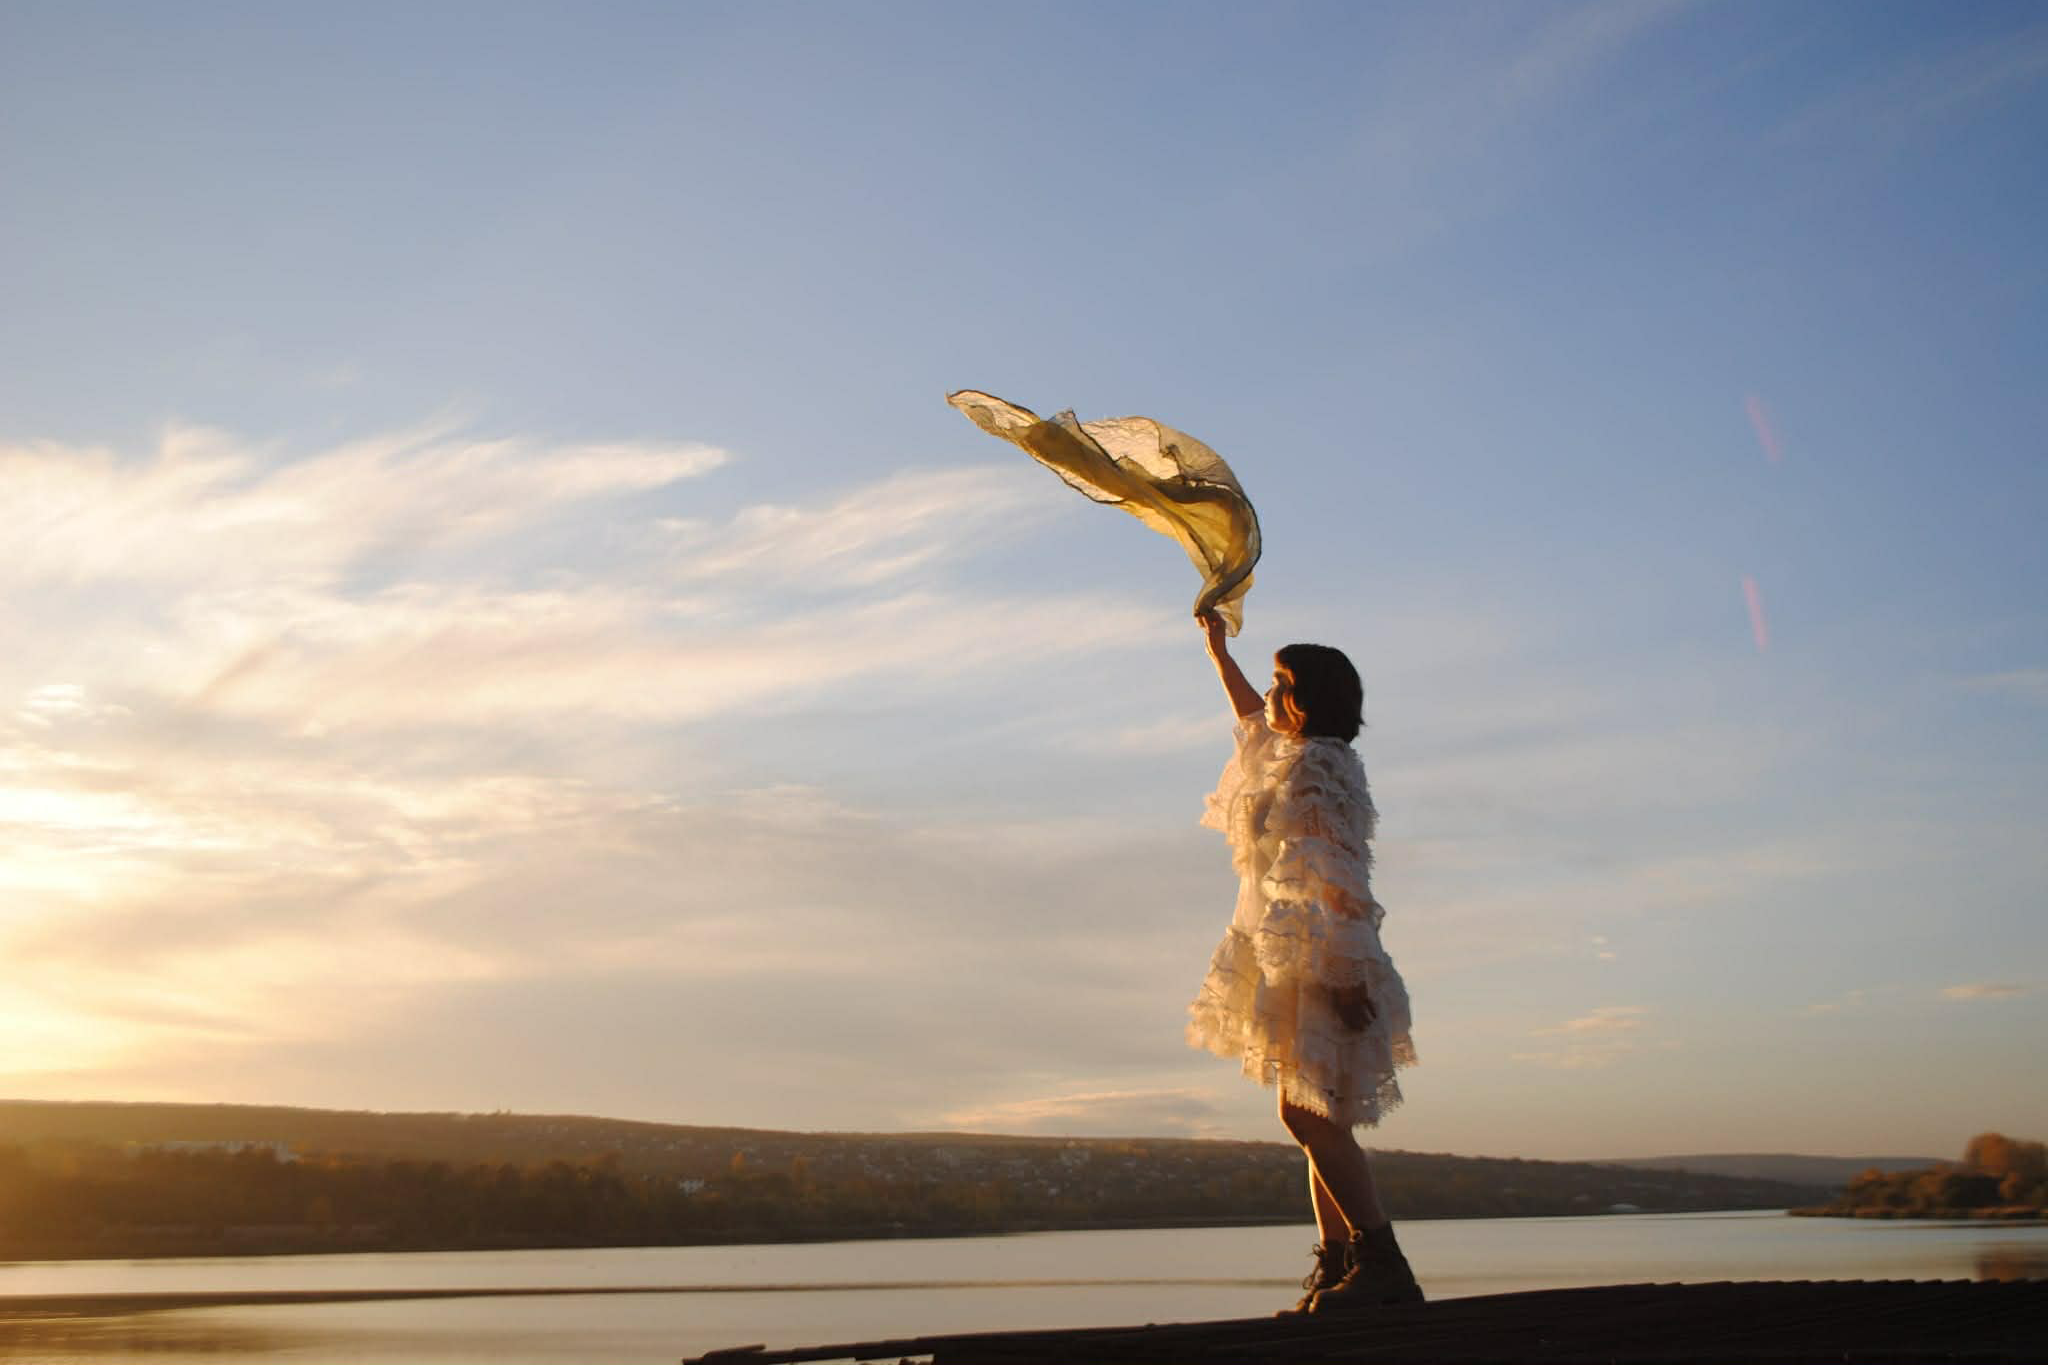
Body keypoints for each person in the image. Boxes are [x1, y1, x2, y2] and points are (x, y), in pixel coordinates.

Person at [1187, 610, 1421, 1314]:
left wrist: (1346, 974)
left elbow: (1340, 873)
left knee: (1306, 1116)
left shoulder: (1321, 763)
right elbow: (1251, 715)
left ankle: (1380, 1260)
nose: (1271, 689)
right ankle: (1341, 1263)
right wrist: (1216, 651)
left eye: (1283, 680)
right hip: (1297, 955)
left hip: (1322, 957)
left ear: (1311, 696)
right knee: (1319, 1114)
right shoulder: (1293, 754)